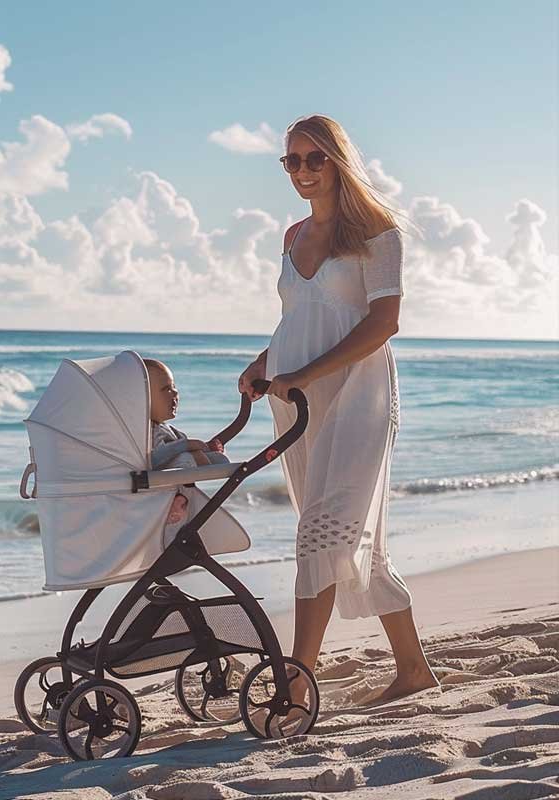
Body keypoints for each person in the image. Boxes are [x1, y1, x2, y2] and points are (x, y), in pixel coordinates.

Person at [238, 114, 438, 706]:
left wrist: (303, 372)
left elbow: (384, 322)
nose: (302, 170)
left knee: (319, 531)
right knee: (351, 538)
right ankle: (413, 670)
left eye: (314, 158)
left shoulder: (378, 233)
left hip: (358, 396)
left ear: (339, 159)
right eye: (291, 160)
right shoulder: (291, 235)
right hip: (298, 402)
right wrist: (263, 363)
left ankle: (297, 682)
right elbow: (295, 321)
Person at [146, 358, 228, 523]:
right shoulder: (147, 431)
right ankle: (174, 503)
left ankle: (182, 497)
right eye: (166, 389)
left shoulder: (168, 429)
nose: (175, 392)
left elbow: (185, 444)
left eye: (174, 387)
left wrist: (206, 449)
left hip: (178, 476)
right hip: (158, 484)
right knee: (186, 459)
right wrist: (186, 446)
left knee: (221, 460)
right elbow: (152, 459)